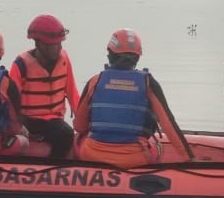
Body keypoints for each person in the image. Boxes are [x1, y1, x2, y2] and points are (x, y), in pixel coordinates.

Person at [73, 28, 192, 168]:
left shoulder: (95, 81)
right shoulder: (148, 82)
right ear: (137, 57)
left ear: (110, 55)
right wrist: (189, 159)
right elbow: (168, 124)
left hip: (92, 156)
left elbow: (79, 126)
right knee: (158, 148)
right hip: (135, 160)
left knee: (78, 139)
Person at [10, 13, 80, 159]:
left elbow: (72, 93)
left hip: (55, 121)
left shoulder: (64, 60)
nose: (57, 48)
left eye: (59, 43)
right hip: (29, 121)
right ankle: (52, 168)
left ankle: (54, 169)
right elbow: (10, 101)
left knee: (64, 133)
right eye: (52, 44)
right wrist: (17, 126)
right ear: (38, 43)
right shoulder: (21, 65)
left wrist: (83, 123)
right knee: (65, 134)